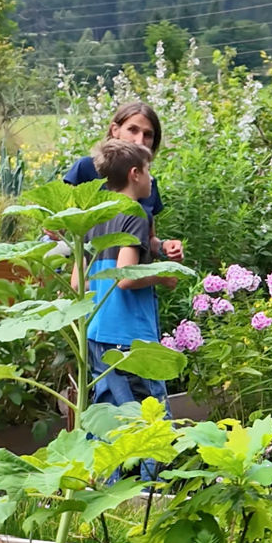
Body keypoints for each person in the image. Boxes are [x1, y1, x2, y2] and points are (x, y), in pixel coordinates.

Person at [74, 137, 179, 418]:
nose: (151, 178)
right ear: (135, 174)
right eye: (148, 170)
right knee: (148, 420)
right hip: (129, 338)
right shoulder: (135, 215)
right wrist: (162, 275)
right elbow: (125, 277)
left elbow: (77, 282)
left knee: (109, 420)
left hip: (96, 334)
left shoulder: (92, 217)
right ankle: (151, 465)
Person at [65, 100, 182, 262]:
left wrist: (164, 247)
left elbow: (146, 238)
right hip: (89, 276)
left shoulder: (147, 183)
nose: (140, 140)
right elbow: (58, 220)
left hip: (134, 278)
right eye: (132, 130)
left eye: (148, 135)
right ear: (115, 130)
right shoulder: (86, 168)